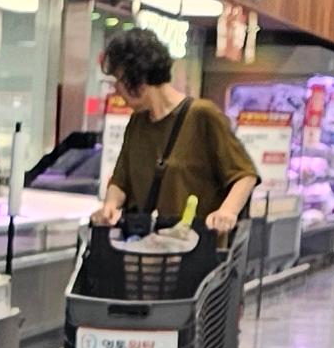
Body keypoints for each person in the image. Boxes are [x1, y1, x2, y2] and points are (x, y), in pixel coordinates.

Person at [92, 22, 259, 242]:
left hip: (194, 249)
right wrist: (110, 206)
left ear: (139, 79)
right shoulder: (137, 122)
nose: (116, 90)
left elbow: (244, 175)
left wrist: (227, 212)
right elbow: (121, 181)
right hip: (147, 249)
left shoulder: (202, 115)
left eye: (119, 80)